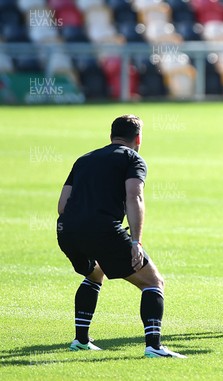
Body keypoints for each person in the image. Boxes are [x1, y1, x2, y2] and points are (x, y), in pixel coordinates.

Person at [56, 115, 185, 358]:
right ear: (138, 138)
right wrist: (136, 241)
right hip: (102, 229)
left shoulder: (84, 159)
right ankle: (154, 346)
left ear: (111, 136)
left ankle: (81, 340)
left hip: (66, 230)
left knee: (96, 272)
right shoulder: (133, 158)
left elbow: (62, 205)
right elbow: (134, 197)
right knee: (153, 282)